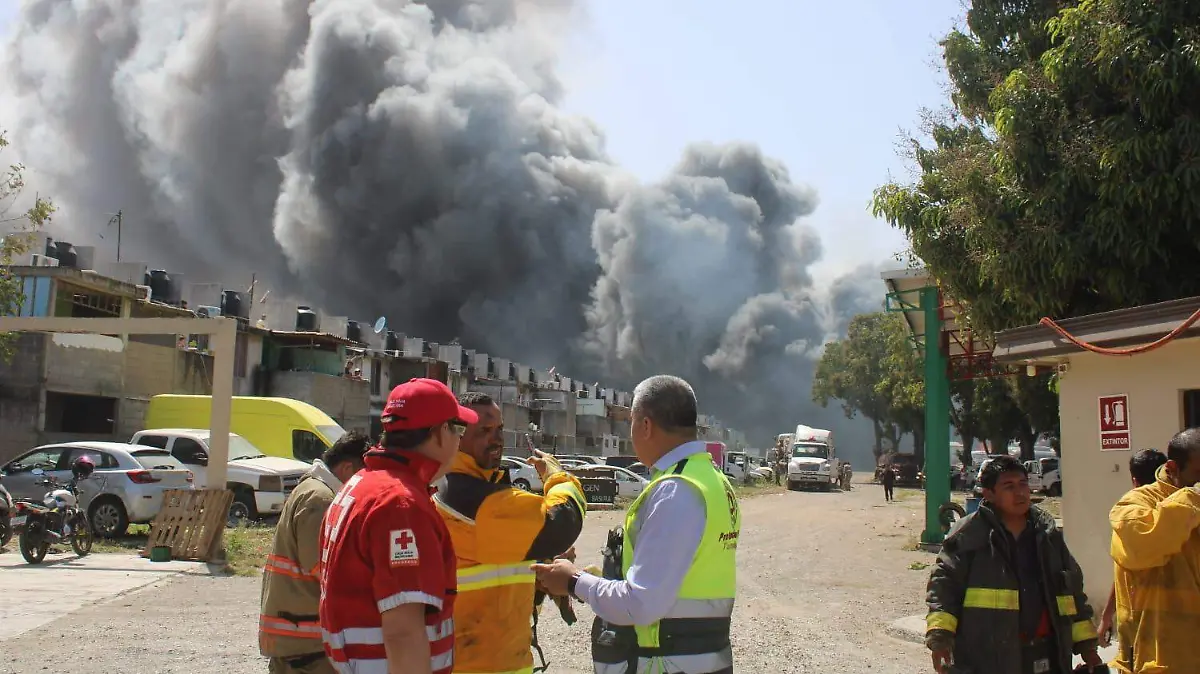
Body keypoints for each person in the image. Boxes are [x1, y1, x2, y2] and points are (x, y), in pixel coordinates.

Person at [532, 375, 739, 674]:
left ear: (645, 425)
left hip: (665, 664)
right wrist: (604, 577)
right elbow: (678, 575)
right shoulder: (712, 481)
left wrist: (574, 581)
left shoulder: (675, 491)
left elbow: (642, 603)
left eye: (631, 421)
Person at [318, 379, 477, 674]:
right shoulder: (401, 505)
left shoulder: (360, 485)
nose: (459, 441)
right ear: (441, 432)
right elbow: (403, 632)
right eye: (458, 430)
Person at [433, 391, 587, 674]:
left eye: (500, 429)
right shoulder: (476, 500)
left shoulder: (449, 487)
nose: (497, 438)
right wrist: (557, 476)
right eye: (485, 431)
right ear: (456, 435)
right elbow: (562, 521)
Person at [926, 455, 1101, 674]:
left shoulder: (1047, 535)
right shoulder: (968, 536)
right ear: (988, 493)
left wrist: (1088, 649)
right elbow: (943, 591)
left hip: (1047, 655)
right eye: (1008, 486)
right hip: (988, 661)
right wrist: (940, 640)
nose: (1019, 493)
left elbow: (1071, 593)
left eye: (1023, 484)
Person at [259, 431, 371, 674]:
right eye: (363, 474)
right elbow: (325, 569)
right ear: (347, 468)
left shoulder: (312, 489)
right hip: (305, 641)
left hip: (296, 635)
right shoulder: (320, 499)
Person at [1109, 428, 1200, 673]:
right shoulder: (1134, 505)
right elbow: (1142, 546)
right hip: (1158, 660)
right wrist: (1193, 497)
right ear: (1172, 467)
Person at [1097, 448, 1167, 647]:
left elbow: (1122, 568)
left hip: (1136, 626)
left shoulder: (1127, 516)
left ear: (1134, 480)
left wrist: (1106, 617)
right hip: (1173, 628)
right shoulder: (1179, 513)